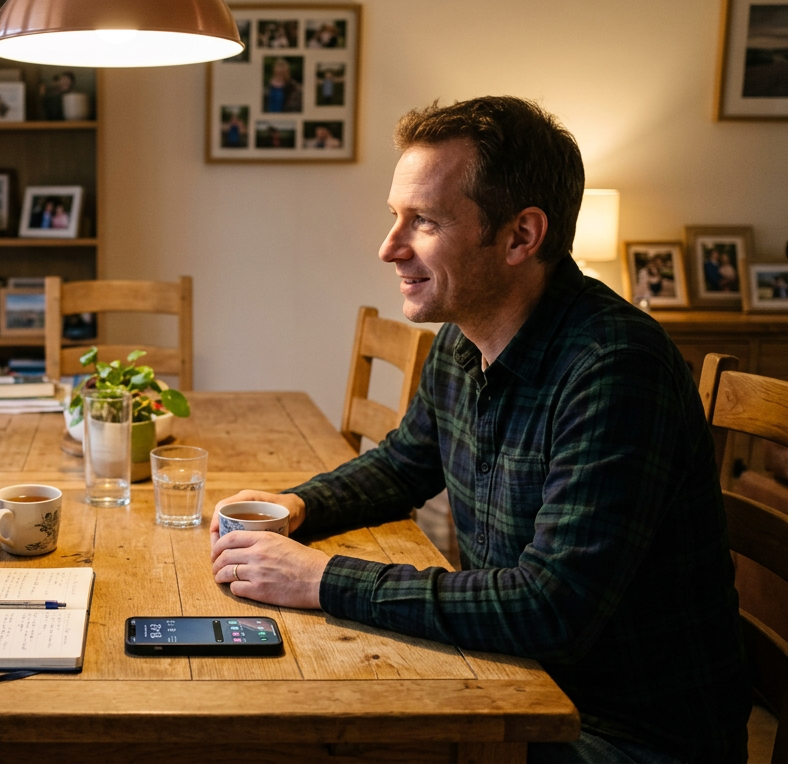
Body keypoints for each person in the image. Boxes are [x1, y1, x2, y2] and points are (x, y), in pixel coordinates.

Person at [209, 96, 749, 762]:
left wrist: (320, 580)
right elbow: (402, 465)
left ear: (521, 236)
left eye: (424, 221)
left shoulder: (615, 369)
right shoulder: (465, 342)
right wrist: (296, 506)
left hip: (623, 734)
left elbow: (551, 607)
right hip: (512, 685)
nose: (389, 248)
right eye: (394, 218)